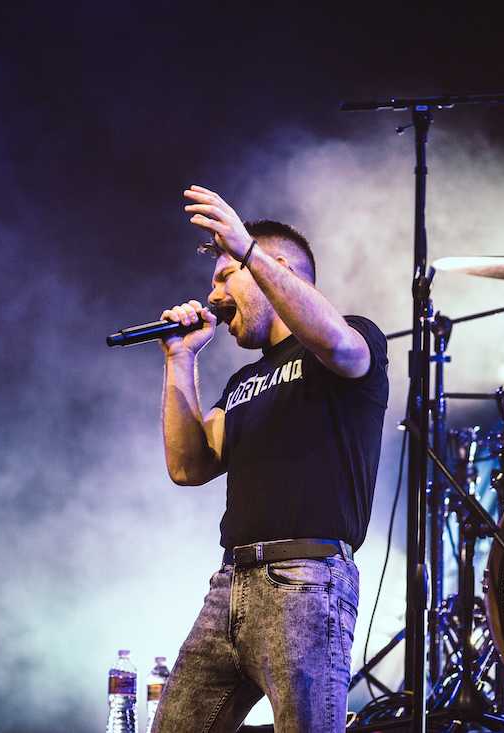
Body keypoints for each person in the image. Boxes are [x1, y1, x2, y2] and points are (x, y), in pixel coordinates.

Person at [150, 185, 389, 732]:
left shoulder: (351, 338)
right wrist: (179, 360)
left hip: (304, 581)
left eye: (223, 276)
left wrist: (245, 248)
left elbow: (339, 347)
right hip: (230, 584)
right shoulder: (242, 382)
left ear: (273, 267)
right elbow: (188, 466)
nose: (212, 297)